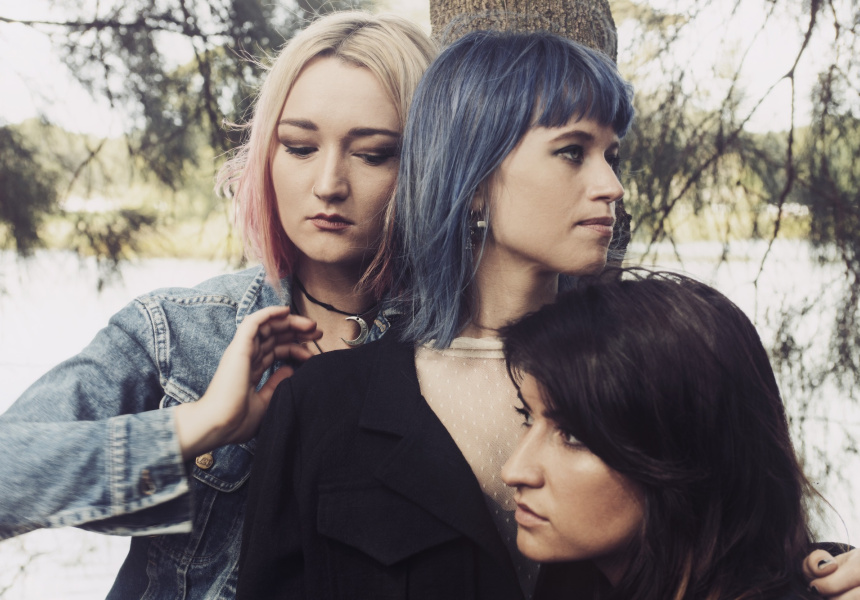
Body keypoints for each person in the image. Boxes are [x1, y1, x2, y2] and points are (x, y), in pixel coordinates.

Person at [236, 28, 860, 600]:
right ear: (473, 178)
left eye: (611, 155)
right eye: (572, 151)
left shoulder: (660, 359)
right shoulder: (323, 402)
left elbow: (748, 540)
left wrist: (835, 567)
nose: (611, 185)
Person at [0, 11, 434, 599]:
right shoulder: (177, 332)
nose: (329, 184)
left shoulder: (456, 349)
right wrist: (203, 424)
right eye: (300, 146)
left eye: (374, 154)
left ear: (428, 166)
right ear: (267, 156)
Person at [499, 269, 851, 599]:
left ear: (689, 452)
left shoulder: (828, 580)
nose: (513, 471)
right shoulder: (572, 582)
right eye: (527, 416)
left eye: (574, 436)